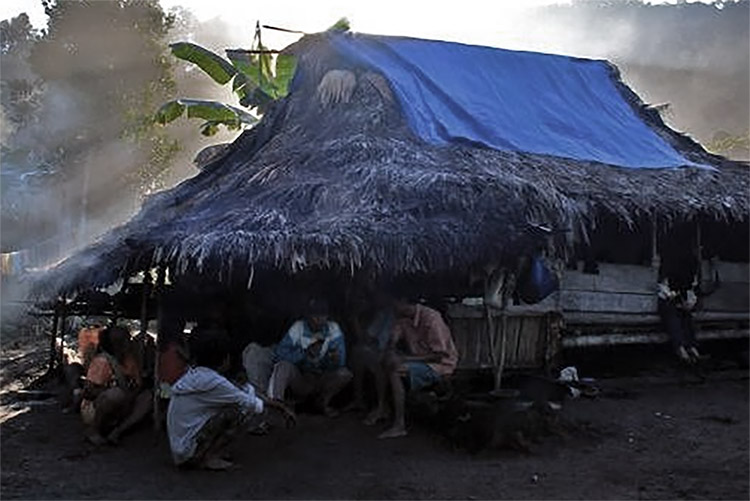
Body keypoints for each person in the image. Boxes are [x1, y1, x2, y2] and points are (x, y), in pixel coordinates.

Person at [167, 328, 295, 470]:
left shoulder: (197, 375)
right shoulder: (215, 382)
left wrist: (279, 406)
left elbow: (243, 391)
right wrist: (280, 408)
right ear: (225, 359)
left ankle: (206, 452)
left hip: (180, 451)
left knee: (237, 402)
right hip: (188, 453)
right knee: (238, 412)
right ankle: (209, 457)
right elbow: (250, 402)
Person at [374, 298, 458, 439]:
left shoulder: (431, 318)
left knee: (395, 370)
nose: (392, 307)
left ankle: (399, 425)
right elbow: (394, 338)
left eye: (395, 303)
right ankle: (382, 407)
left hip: (439, 365)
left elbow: (439, 356)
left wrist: (404, 359)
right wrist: (391, 349)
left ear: (405, 303)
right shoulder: (403, 317)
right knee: (384, 362)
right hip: (419, 361)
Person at [268, 299, 353, 417]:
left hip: (322, 378)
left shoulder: (333, 329)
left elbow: (341, 362)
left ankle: (322, 403)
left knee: (345, 373)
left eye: (322, 315)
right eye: (315, 315)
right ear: (307, 316)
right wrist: (304, 354)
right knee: (283, 366)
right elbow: (279, 355)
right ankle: (277, 407)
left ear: (327, 316)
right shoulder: (298, 328)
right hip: (301, 379)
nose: (318, 319)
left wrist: (332, 359)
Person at [79, 326, 153, 445]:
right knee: (114, 395)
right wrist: (114, 391)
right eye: (125, 340)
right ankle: (94, 430)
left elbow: (138, 384)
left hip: (126, 403)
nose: (129, 342)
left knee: (148, 397)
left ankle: (118, 431)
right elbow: (88, 391)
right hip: (97, 408)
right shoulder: (102, 361)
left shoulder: (130, 360)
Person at [658, 259, 701, 364]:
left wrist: (688, 304)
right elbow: (663, 291)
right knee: (673, 318)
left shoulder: (686, 280)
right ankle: (680, 347)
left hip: (678, 304)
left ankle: (691, 346)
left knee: (687, 318)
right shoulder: (663, 279)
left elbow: (690, 293)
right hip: (664, 304)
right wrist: (672, 296)